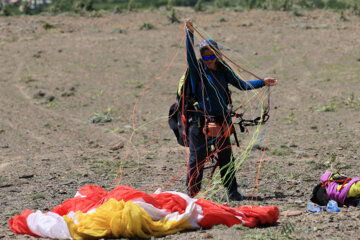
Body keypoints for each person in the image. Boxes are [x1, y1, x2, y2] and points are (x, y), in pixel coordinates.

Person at [184, 20, 278, 201]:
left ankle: (233, 193)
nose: (210, 60)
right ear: (202, 57)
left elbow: (242, 85)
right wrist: (189, 34)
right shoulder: (197, 71)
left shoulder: (223, 71)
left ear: (218, 55)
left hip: (222, 122)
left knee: (227, 159)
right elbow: (189, 55)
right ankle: (191, 197)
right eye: (206, 57)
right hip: (201, 124)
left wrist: (263, 82)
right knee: (197, 161)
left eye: (213, 56)